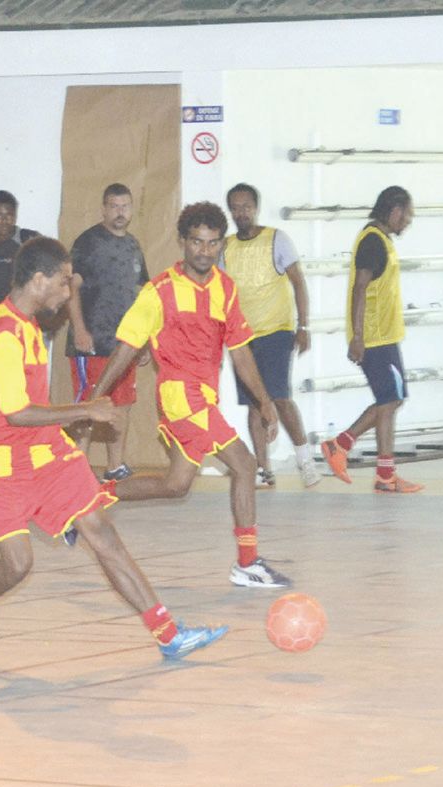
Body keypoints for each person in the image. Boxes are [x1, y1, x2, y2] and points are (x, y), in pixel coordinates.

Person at [0, 236, 226, 661]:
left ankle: (168, 635)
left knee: (102, 532)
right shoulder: (1, 332)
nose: (67, 294)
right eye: (64, 284)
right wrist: (89, 410)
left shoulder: (26, 324)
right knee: (18, 565)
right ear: (40, 280)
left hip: (43, 450)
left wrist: (78, 415)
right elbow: (16, 413)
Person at [91, 202, 293, 590]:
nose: (205, 251)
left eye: (213, 243)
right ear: (182, 242)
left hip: (204, 397)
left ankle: (90, 497)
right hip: (182, 397)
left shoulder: (225, 289)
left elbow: (241, 353)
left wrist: (265, 400)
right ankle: (248, 562)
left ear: (221, 245)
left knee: (176, 485)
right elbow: (126, 349)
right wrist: (95, 400)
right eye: (197, 242)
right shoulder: (159, 291)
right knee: (246, 466)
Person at [320, 186, 424, 494]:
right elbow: (359, 289)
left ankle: (363, 459)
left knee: (391, 400)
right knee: (390, 400)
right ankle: (351, 452)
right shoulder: (372, 243)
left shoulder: (381, 240)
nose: (407, 222)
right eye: (407, 215)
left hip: (385, 336)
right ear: (394, 212)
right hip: (375, 338)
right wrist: (358, 337)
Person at [222, 182, 318, 490]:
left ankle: (305, 459)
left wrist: (303, 326)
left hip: (276, 331)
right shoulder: (225, 247)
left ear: (256, 207)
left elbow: (298, 283)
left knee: (278, 396)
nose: (241, 213)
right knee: (253, 402)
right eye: (235, 208)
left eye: (246, 207)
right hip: (243, 336)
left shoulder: (276, 239)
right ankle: (264, 469)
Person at [67, 182, 149, 481]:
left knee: (123, 405)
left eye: (125, 206)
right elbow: (70, 287)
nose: (119, 212)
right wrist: (79, 329)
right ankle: (76, 469)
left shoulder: (133, 245)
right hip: (91, 344)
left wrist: (144, 342)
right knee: (89, 406)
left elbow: (142, 295)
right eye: (114, 206)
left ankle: (115, 467)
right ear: (104, 209)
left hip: (124, 345)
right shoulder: (87, 242)